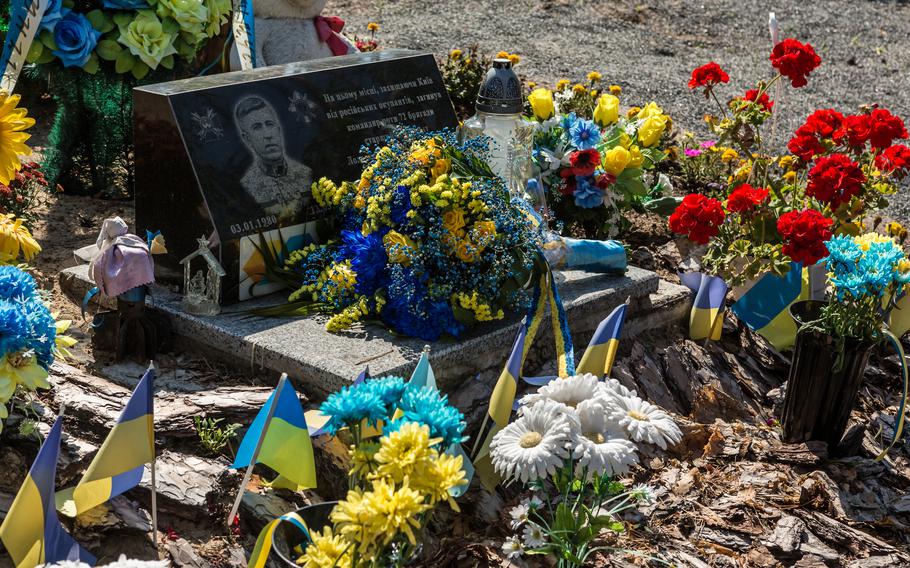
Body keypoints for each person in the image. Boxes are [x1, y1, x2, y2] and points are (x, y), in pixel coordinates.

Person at [235, 95, 313, 222]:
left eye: (269, 124)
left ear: (278, 129)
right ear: (247, 138)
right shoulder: (247, 185)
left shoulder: (305, 173)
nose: (268, 135)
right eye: (257, 127)